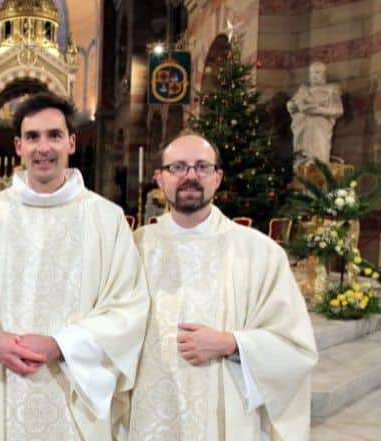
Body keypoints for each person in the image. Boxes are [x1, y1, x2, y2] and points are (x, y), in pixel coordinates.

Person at [0, 92, 148, 441]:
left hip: (73, 387)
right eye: (32, 137)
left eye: (54, 135)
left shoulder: (106, 221)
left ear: (72, 143)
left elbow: (128, 306)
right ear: (17, 146)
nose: (43, 147)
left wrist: (61, 345)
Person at [128, 134, 318, 441]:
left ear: (218, 178)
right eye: (178, 167)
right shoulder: (133, 248)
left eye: (202, 167)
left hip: (224, 419)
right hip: (148, 416)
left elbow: (296, 347)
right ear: (159, 179)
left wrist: (232, 343)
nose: (190, 176)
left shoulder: (259, 253)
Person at [286, 61, 343, 166]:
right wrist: (291, 105)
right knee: (302, 158)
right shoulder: (303, 90)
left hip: (320, 127)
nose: (314, 76)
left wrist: (318, 110)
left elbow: (338, 110)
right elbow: (293, 104)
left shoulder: (331, 90)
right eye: (312, 73)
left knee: (320, 154)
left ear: (324, 74)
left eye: (318, 73)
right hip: (303, 128)